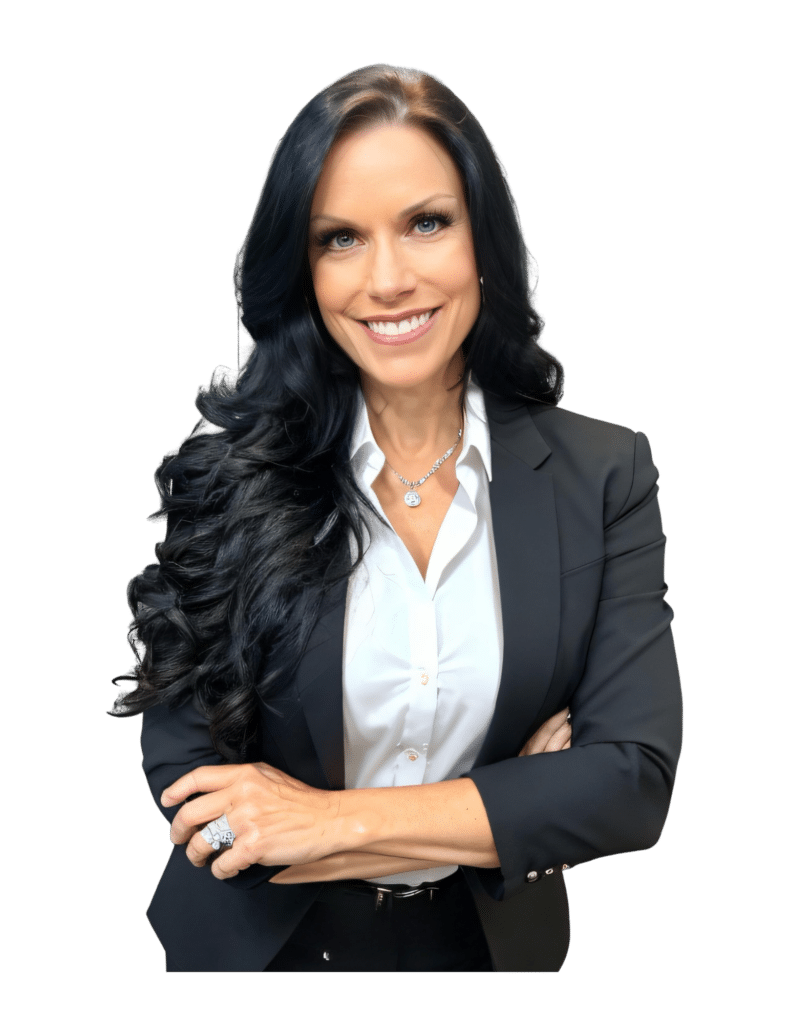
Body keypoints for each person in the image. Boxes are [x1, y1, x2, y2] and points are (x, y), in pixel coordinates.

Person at [108, 64, 683, 974]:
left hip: (489, 959)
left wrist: (322, 821)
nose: (386, 279)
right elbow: (197, 799)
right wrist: (512, 805)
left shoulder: (605, 473)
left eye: (426, 222)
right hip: (253, 962)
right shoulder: (228, 466)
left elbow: (630, 788)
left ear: (481, 239)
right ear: (301, 270)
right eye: (338, 238)